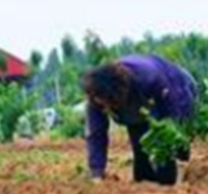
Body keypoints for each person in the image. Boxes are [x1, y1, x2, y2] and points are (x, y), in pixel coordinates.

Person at [83, 55, 198, 186]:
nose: (104, 109)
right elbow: (96, 133)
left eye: (107, 104)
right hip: (138, 107)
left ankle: (173, 182)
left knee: (166, 150)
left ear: (116, 97)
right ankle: (145, 184)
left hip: (174, 87)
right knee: (140, 152)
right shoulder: (96, 96)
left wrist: (176, 144)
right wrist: (97, 173)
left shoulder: (149, 79)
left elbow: (174, 110)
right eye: (100, 105)